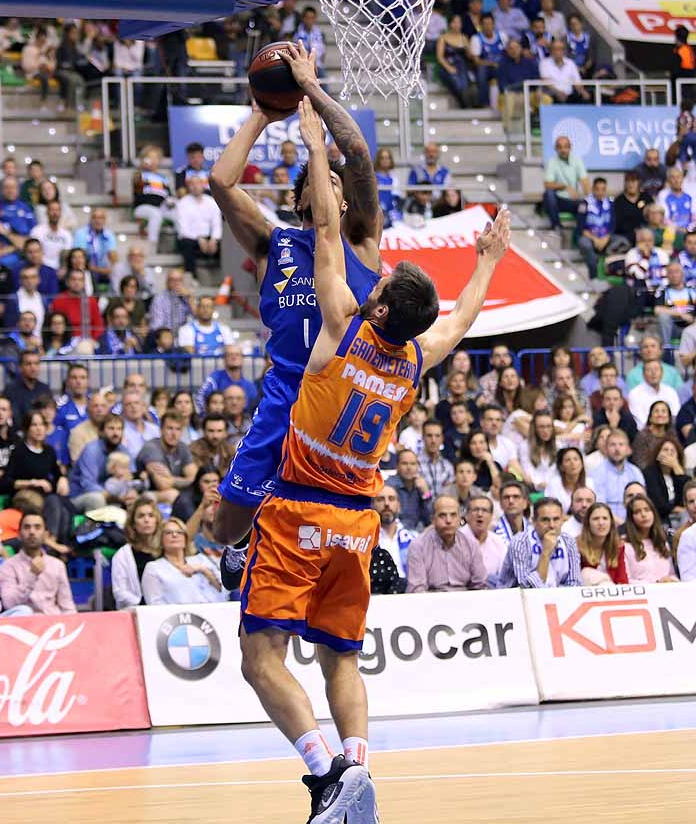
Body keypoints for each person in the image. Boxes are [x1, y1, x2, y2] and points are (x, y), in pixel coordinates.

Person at [236, 99, 511, 824]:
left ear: (380, 308)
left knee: (260, 656)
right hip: (359, 524)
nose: (374, 281)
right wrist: (489, 261)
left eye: (381, 287)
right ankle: (359, 770)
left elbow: (325, 227)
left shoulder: (340, 327)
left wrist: (316, 146)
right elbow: (462, 317)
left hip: (300, 505)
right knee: (340, 660)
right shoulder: (418, 358)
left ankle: (326, 773)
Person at [209, 42, 383, 591]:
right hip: (285, 390)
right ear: (300, 198)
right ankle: (257, 540)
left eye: (334, 182)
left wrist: (311, 88)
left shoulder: (363, 242)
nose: (329, 182)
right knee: (223, 526)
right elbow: (220, 183)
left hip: (338, 395)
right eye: (317, 180)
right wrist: (261, 115)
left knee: (327, 515)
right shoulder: (275, 243)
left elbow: (355, 152)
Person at [0, 513, 77, 615]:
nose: (32, 532)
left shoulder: (57, 565)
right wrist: (31, 576)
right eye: (27, 527)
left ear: (45, 535)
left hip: (53, 624)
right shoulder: (8, 566)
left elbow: (67, 606)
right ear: (19, 535)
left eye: (37, 527)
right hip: (24, 624)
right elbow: (9, 604)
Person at [404, 496, 487, 593]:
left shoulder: (471, 545)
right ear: (432, 519)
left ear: (460, 518)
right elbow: (417, 589)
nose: (448, 520)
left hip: (465, 602)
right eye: (442, 515)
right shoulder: (418, 546)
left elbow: (480, 586)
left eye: (453, 515)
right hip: (431, 602)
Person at [498, 496, 581, 588]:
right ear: (534, 521)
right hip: (514, 599)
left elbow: (575, 583)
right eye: (545, 520)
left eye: (556, 519)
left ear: (563, 520)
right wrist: (545, 553)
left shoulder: (568, 541)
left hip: (558, 599)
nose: (552, 525)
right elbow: (527, 589)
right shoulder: (520, 543)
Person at [141, 517, 227, 605]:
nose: (175, 535)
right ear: (160, 539)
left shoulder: (201, 560)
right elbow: (154, 604)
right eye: (169, 533)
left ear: (185, 538)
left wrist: (203, 570)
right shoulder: (153, 568)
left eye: (179, 532)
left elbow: (223, 589)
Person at [110, 497, 162, 609]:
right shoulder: (122, 555)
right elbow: (120, 592)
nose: (146, 520)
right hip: (137, 611)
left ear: (157, 521)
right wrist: (142, 605)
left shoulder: (165, 549)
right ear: (133, 523)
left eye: (151, 515)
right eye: (141, 516)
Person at [622, 496, 677, 582]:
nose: (643, 514)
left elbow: (672, 573)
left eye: (647, 510)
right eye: (637, 512)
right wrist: (655, 583)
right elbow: (626, 580)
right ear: (631, 518)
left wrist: (672, 580)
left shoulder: (663, 543)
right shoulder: (625, 547)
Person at [577, 502, 627, 585]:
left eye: (605, 518)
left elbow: (622, 581)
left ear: (611, 523)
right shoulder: (576, 546)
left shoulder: (618, 546)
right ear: (588, 523)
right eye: (596, 519)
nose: (601, 523)